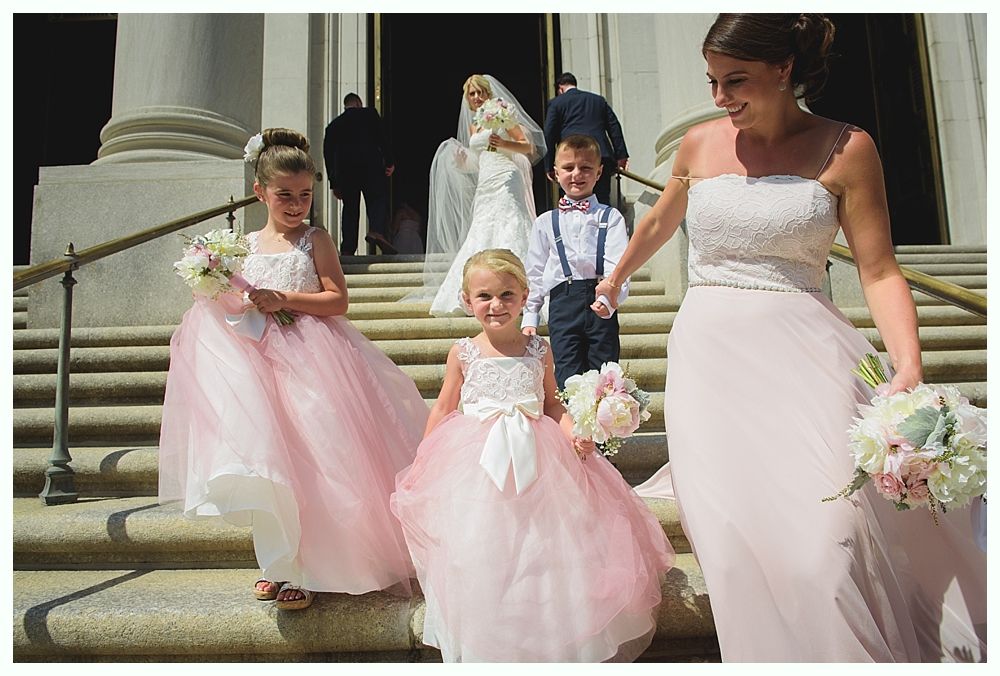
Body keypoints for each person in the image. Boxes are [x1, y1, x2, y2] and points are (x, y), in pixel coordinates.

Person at [595, 14, 986, 662]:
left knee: (829, 540)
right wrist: (615, 279)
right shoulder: (696, 145)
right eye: (713, 82)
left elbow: (880, 270)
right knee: (733, 542)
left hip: (809, 353)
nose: (721, 97)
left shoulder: (847, 148)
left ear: (786, 70)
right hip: (710, 360)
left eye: (736, 80)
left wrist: (908, 367)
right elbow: (661, 221)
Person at [158, 128, 429, 611]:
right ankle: (277, 564)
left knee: (315, 462)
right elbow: (228, 303)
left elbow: (337, 299)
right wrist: (221, 294)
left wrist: (285, 299)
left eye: (305, 195)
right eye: (285, 194)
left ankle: (314, 567)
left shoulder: (314, 239)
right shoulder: (239, 247)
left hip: (312, 361)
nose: (296, 204)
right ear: (260, 191)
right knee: (270, 468)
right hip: (256, 370)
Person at [391, 249, 673, 662]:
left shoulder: (539, 349)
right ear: (467, 301)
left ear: (525, 297)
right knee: (483, 545)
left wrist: (574, 432)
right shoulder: (463, 352)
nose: (496, 305)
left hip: (540, 458)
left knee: (544, 546)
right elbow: (443, 407)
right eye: (484, 295)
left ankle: (551, 632)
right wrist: (424, 460)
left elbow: (553, 403)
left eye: (507, 294)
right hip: (476, 461)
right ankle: (491, 631)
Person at [405, 74, 546, 316]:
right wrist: (463, 163)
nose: (478, 97)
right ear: (468, 99)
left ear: (489, 93)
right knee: (482, 226)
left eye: (481, 92)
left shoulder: (503, 113)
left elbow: (528, 147)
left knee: (510, 221)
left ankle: (522, 285)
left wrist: (501, 143)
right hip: (486, 180)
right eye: (473, 94)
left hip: (506, 176)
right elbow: (480, 160)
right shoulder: (474, 125)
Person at [522, 134, 630, 388]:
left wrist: (609, 299)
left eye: (585, 168)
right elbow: (535, 272)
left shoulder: (611, 216)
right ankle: (570, 428)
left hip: (600, 299)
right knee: (567, 378)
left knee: (605, 377)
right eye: (568, 168)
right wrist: (530, 316)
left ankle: (605, 426)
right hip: (562, 303)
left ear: (599, 172)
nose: (576, 174)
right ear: (555, 173)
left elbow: (619, 265)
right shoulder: (545, 222)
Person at [323, 93, 397, 256]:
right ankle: (376, 230)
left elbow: (328, 155)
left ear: (346, 105)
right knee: (377, 200)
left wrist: (334, 183)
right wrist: (390, 162)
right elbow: (383, 138)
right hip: (371, 168)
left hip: (346, 173)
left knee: (350, 209)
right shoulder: (370, 115)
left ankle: (348, 248)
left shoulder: (334, 126)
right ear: (359, 103)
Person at [543, 72, 629, 206]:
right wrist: (621, 156)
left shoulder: (556, 103)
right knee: (602, 200)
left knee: (573, 198)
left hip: (571, 157)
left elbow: (549, 134)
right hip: (600, 155)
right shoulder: (598, 100)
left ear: (560, 88)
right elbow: (614, 127)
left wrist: (549, 165)